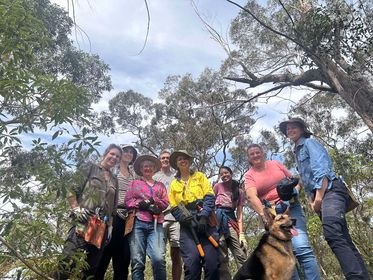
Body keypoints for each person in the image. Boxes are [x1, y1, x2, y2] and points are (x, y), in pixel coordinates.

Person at [279, 118, 370, 280]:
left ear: (301, 128)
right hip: (320, 195)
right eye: (287, 129)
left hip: (330, 190)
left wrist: (318, 198)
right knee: (341, 237)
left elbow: (321, 170)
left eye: (293, 127)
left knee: (332, 233)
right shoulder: (298, 151)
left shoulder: (309, 143)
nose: (289, 130)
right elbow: (306, 179)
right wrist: (309, 198)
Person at [244, 143, 321, 280]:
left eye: (258, 152)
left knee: (302, 248)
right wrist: (265, 214)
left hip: (291, 205)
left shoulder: (275, 164)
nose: (256, 155)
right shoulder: (249, 175)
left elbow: (296, 181)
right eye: (252, 154)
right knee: (283, 256)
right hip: (273, 215)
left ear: (262, 152)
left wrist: (294, 192)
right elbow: (251, 196)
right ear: (249, 158)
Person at [56, 144, 122, 280]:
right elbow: (71, 190)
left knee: (91, 267)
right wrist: (76, 208)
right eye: (112, 154)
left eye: (117, 157)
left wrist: (110, 227)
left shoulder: (115, 180)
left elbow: (113, 209)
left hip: (101, 227)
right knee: (69, 259)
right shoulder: (90, 167)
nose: (114, 158)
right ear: (106, 153)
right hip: (83, 220)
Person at [168, 150, 219, 280]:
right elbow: (174, 206)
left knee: (212, 264)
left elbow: (209, 196)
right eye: (179, 159)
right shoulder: (174, 184)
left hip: (205, 221)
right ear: (176, 163)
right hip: (187, 225)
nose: (182, 160)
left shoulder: (200, 176)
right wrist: (183, 219)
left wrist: (203, 216)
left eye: (185, 158)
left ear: (189, 161)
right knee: (192, 263)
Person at [96, 144, 137, 279]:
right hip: (112, 215)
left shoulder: (134, 175)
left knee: (123, 258)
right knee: (104, 254)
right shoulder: (112, 172)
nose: (128, 154)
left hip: (130, 218)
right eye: (125, 151)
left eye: (131, 152)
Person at [125, 155, 168, 280]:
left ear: (154, 168)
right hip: (138, 222)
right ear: (141, 168)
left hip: (156, 223)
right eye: (145, 166)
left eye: (150, 166)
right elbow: (128, 201)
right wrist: (140, 205)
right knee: (137, 260)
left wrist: (155, 202)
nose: (147, 168)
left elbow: (165, 202)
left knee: (158, 258)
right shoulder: (135, 183)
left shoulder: (160, 186)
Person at [153, 150, 182, 280]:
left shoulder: (177, 176)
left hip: (176, 218)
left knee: (176, 253)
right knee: (159, 254)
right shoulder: (154, 177)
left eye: (167, 158)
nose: (165, 160)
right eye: (163, 158)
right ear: (160, 160)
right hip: (159, 219)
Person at [214, 166, 247, 280]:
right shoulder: (217, 187)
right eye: (221, 174)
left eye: (226, 172)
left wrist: (241, 233)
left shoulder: (239, 191)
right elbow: (211, 205)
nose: (224, 175)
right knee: (221, 255)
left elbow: (240, 214)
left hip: (231, 220)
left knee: (240, 253)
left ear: (231, 173)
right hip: (218, 221)